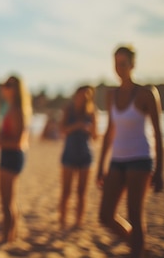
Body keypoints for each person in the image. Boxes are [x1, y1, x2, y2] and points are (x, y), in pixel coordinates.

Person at [97, 45, 164, 258]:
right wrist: (101, 165)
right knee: (105, 215)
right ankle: (138, 245)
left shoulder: (146, 94)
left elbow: (158, 132)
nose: (119, 68)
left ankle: (137, 249)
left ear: (133, 65)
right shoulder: (111, 95)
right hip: (117, 160)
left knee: (135, 214)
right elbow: (109, 132)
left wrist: (159, 170)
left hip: (140, 160)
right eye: (116, 64)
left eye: (123, 63)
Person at [0, 75, 32, 243]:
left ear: (16, 89)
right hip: (8, 154)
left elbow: (18, 142)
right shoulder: (8, 107)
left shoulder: (17, 109)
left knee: (7, 200)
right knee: (8, 200)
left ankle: (7, 236)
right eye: (4, 84)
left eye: (8, 85)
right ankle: (10, 234)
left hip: (12, 155)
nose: (4, 88)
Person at [58, 85, 98, 229]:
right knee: (66, 191)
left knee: (82, 192)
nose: (84, 97)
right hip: (69, 153)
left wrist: (90, 129)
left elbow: (95, 136)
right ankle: (62, 220)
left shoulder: (92, 112)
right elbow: (62, 130)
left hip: (86, 154)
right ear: (76, 95)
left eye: (87, 95)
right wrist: (77, 126)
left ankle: (78, 222)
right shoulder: (69, 110)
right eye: (81, 94)